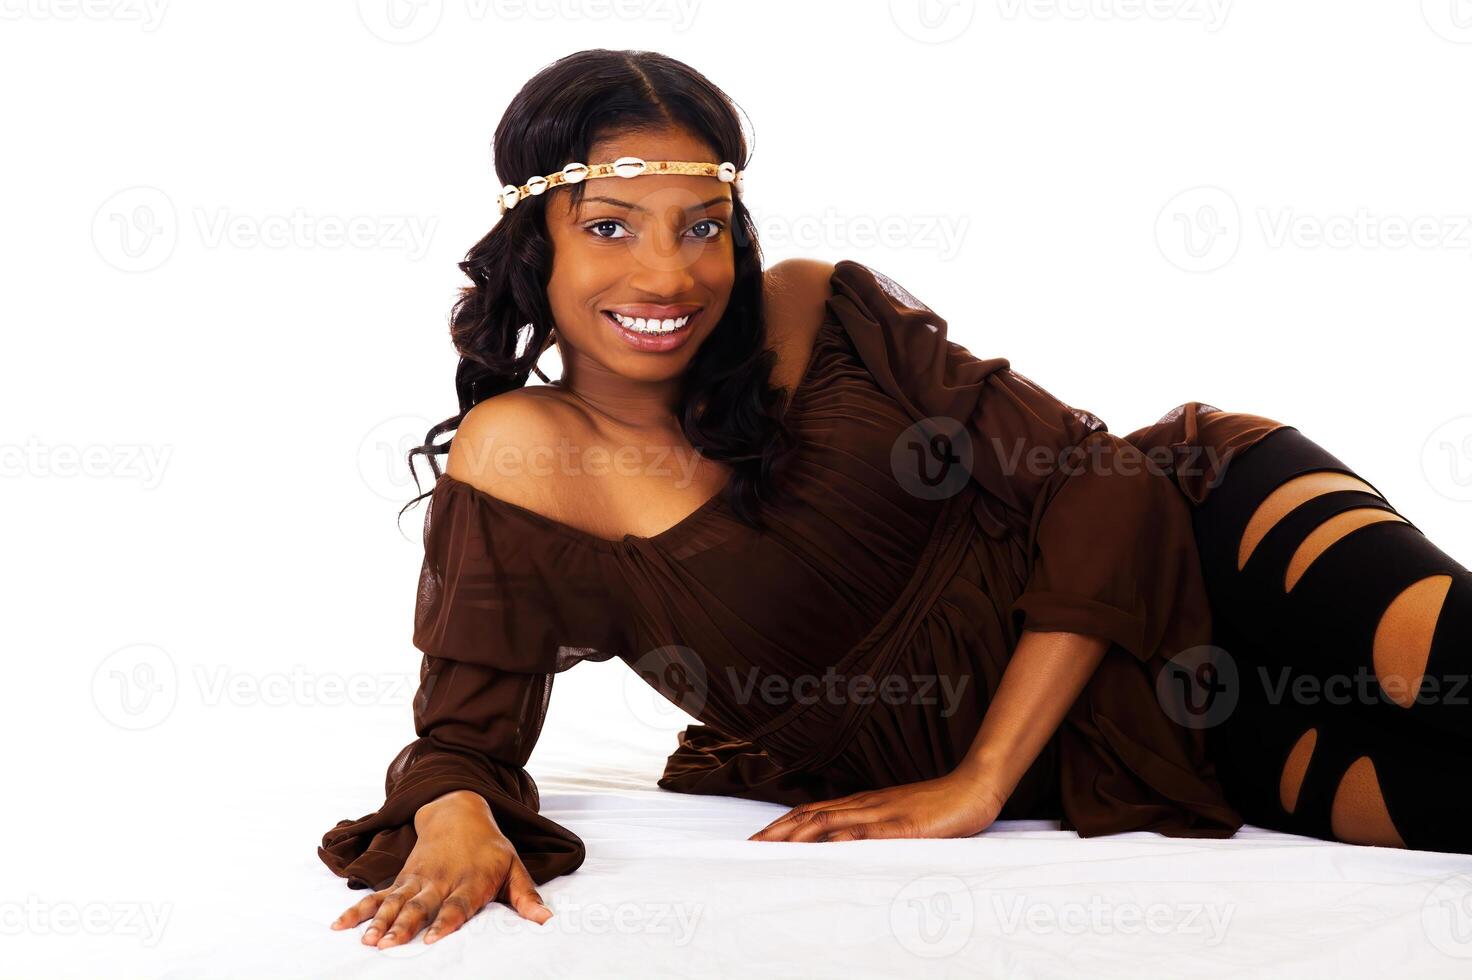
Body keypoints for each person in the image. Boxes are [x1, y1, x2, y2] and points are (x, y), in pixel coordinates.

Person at [321, 48, 1472, 950]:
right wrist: (454, 810)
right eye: (611, 227)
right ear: (538, 243)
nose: (668, 275)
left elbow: (1099, 481)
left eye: (702, 225)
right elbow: (462, 736)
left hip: (1211, 526)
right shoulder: (524, 449)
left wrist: (974, 784)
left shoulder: (810, 308)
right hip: (1129, 744)